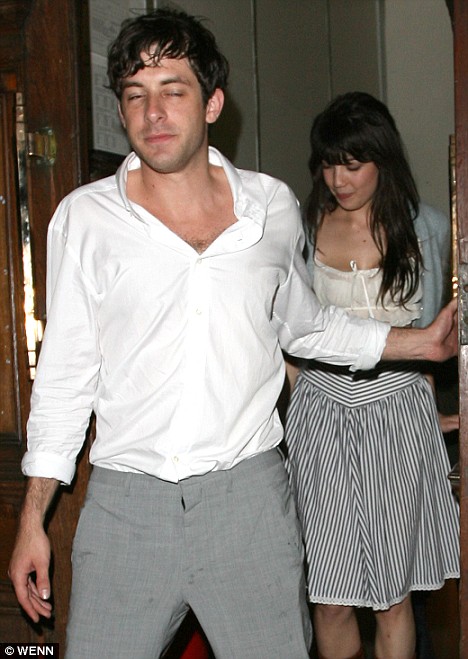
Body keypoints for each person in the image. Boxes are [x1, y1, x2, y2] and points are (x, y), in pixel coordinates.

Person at [8, 11, 456, 659]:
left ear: (213, 103)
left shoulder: (271, 206)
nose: (153, 112)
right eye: (135, 95)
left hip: (249, 505)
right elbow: (64, 377)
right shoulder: (86, 218)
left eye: (173, 90)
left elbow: (307, 325)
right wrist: (33, 518)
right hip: (126, 509)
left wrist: (422, 344)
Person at [284, 91, 460, 659]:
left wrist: (433, 414)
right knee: (331, 594)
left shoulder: (428, 228)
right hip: (321, 418)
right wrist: (299, 406)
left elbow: (434, 337)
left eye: (353, 164)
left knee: (391, 595)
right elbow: (287, 330)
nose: (338, 179)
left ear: (382, 159)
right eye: (328, 164)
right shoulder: (302, 227)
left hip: (399, 414)